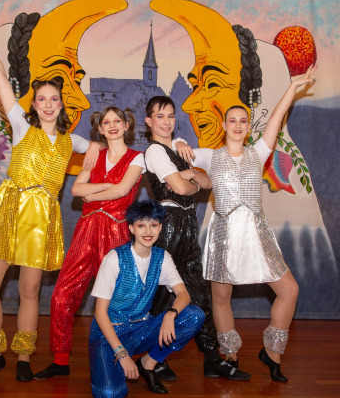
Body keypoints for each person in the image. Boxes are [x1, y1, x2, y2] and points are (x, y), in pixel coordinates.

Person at [0, 10, 103, 386]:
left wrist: (97, 147)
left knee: (29, 290)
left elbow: (106, 146)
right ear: (35, 103)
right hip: (10, 207)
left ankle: (23, 356)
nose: (47, 103)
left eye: (53, 98)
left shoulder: (73, 141)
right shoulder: (21, 126)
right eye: (41, 98)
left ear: (61, 104)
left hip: (41, 217)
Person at [187, 65, 317, 382]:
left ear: (248, 127)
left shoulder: (258, 153)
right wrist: (178, 142)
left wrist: (292, 87)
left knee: (289, 290)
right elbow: (178, 156)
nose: (237, 125)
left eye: (242, 121)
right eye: (232, 120)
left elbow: (276, 117)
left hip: (257, 234)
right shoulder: (209, 156)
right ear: (223, 125)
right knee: (221, 298)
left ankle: (272, 353)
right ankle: (229, 355)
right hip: (224, 235)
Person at [144, 96, 250, 381]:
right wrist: (190, 180)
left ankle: (212, 359)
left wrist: (190, 174)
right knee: (164, 293)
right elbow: (182, 188)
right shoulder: (154, 151)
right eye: (159, 116)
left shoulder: (179, 149)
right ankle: (153, 358)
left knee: (199, 293)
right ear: (149, 121)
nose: (166, 121)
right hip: (169, 225)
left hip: (187, 224)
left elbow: (208, 183)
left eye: (170, 115)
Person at [34, 106, 145, 379]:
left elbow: (123, 190)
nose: (112, 125)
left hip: (116, 233)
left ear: (126, 125)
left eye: (117, 120)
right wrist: (104, 187)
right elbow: (75, 189)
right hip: (85, 231)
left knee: (118, 300)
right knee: (62, 294)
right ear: (100, 129)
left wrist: (92, 195)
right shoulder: (94, 155)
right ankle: (61, 360)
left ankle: (117, 358)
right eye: (106, 122)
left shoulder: (137, 157)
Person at [89, 200, 205, 397]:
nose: (148, 231)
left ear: (160, 227)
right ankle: (116, 363)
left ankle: (148, 363)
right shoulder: (114, 258)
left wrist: (170, 314)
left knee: (194, 316)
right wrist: (122, 354)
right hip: (109, 334)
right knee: (109, 394)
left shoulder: (162, 257)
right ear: (131, 229)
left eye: (153, 225)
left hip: (142, 328)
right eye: (141, 225)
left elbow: (184, 295)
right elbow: (100, 313)